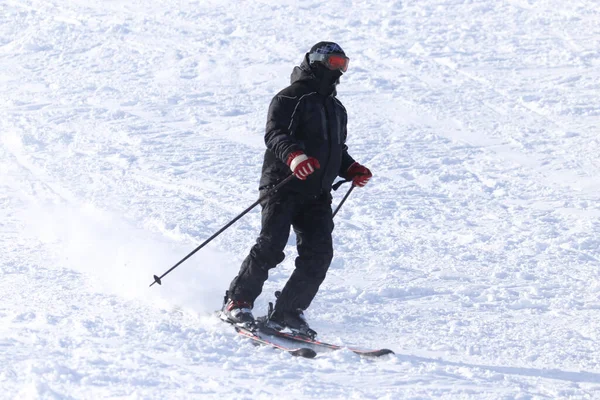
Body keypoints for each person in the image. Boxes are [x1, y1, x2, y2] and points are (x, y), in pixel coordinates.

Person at [220, 41, 372, 335]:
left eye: (344, 63)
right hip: (284, 183)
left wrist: (351, 168)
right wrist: (294, 157)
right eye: (335, 62)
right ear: (317, 61)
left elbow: (336, 150)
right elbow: (276, 135)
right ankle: (237, 302)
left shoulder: (337, 108)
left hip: (317, 193)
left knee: (319, 253)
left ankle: (287, 312)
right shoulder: (290, 97)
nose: (340, 69)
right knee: (272, 245)